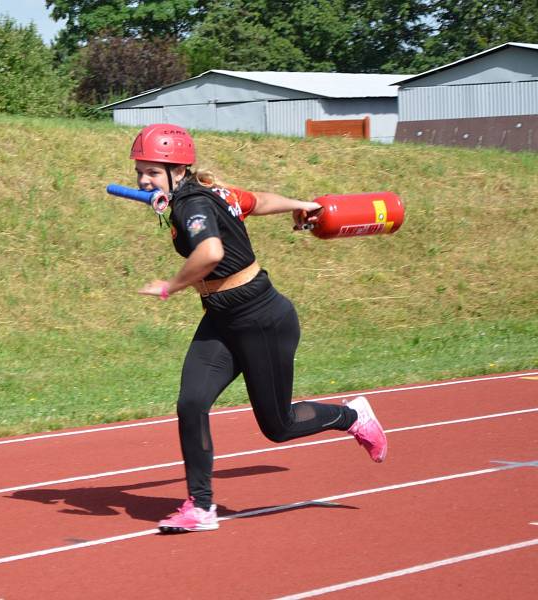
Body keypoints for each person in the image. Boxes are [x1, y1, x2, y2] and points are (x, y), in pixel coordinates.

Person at [126, 123, 388, 534]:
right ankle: (201, 507)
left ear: (178, 170)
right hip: (221, 317)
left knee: (278, 426)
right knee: (191, 403)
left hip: (262, 317)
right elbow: (258, 201)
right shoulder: (212, 192)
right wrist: (301, 203)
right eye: (141, 171)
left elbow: (210, 252)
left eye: (153, 172)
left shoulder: (191, 203)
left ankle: (351, 416)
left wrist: (170, 286)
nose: (143, 180)